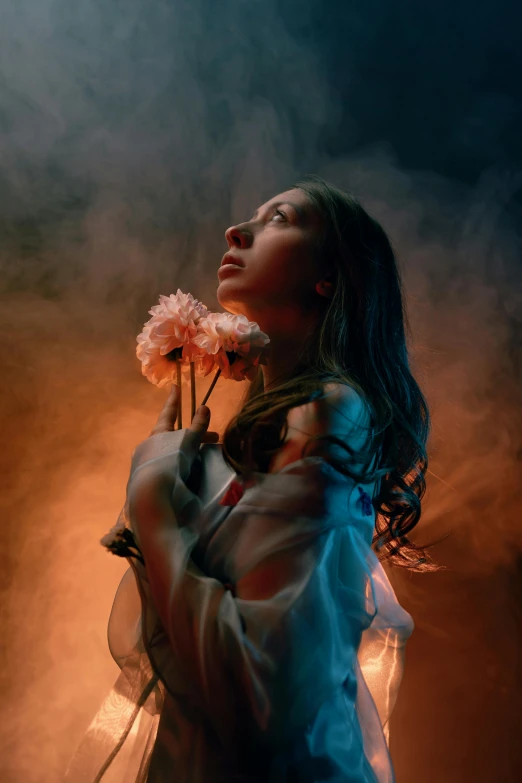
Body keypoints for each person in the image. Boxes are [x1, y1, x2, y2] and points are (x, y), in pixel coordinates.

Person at [65, 176, 440, 782]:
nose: (236, 230)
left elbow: (259, 697)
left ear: (330, 277)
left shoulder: (332, 410)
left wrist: (157, 506)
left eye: (281, 218)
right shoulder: (285, 420)